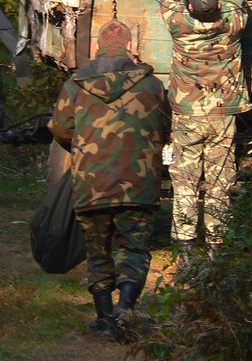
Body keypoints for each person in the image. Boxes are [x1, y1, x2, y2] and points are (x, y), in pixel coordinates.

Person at [48, 19, 169, 338]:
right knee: (134, 248)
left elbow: (60, 128)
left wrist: (83, 148)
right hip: (139, 184)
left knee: (97, 249)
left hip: (92, 182)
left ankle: (104, 317)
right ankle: (124, 309)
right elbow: (164, 128)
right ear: (130, 47)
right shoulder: (152, 85)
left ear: (97, 48)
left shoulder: (75, 84)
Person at [160, 0, 252, 246]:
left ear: (190, 6)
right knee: (219, 180)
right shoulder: (232, 25)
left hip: (187, 113)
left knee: (184, 179)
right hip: (223, 113)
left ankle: (184, 244)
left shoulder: (179, 25)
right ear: (217, 8)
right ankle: (217, 243)